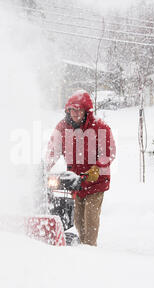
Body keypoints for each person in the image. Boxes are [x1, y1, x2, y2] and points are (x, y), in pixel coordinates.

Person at [46, 90, 116, 246]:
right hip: (77, 181)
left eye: (78, 110)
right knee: (78, 220)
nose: (75, 114)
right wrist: (45, 166)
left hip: (96, 180)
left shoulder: (99, 126)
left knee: (90, 219)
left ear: (86, 110)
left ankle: (90, 249)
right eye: (72, 110)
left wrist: (97, 167)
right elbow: (53, 149)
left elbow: (109, 152)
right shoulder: (63, 127)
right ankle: (83, 248)